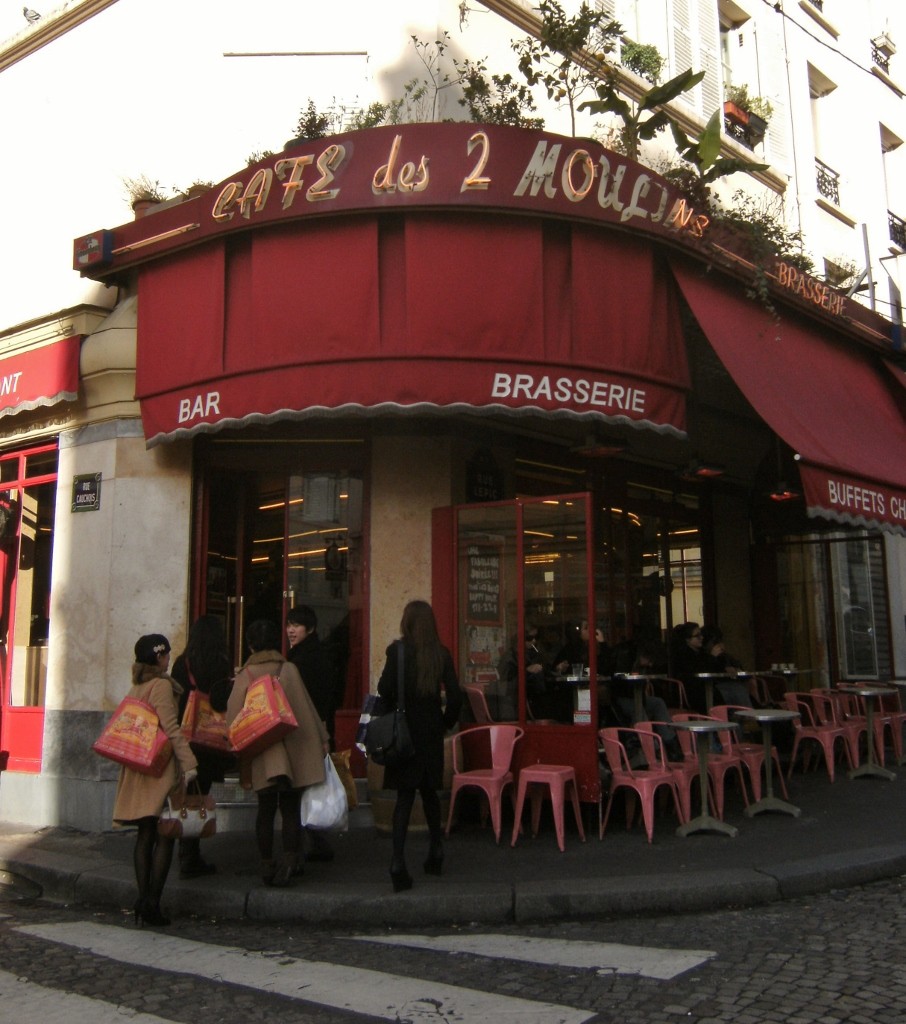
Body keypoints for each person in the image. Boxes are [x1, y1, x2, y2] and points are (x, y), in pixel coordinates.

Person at [226, 618, 329, 888]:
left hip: (263, 752)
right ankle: (290, 860)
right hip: (292, 749)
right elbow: (307, 706)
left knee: (266, 809)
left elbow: (232, 717)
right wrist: (322, 739)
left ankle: (266, 863)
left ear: (250, 645)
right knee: (291, 808)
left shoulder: (246, 675)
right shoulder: (289, 669)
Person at [112, 633, 198, 927]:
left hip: (137, 767)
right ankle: (152, 903)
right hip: (158, 768)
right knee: (164, 835)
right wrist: (189, 762)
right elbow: (171, 728)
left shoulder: (138, 686)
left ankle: (142, 899)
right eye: (166, 654)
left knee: (144, 834)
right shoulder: (161, 685)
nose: (169, 658)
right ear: (159, 657)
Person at [376, 599, 463, 893]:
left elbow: (383, 689)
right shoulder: (440, 653)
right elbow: (455, 696)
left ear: (407, 623)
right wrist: (444, 724)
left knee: (404, 799)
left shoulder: (397, 652)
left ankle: (397, 862)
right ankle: (436, 851)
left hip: (404, 733)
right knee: (429, 795)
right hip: (429, 732)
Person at [170, 614, 235, 878]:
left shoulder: (180, 664)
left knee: (184, 794)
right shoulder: (220, 663)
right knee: (200, 791)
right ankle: (190, 853)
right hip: (208, 742)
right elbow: (220, 702)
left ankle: (184, 848)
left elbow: (175, 701)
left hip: (185, 739)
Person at [286, 604, 336, 864]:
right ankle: (316, 838)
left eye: (296, 625)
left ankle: (307, 842)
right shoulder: (312, 654)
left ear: (310, 628)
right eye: (289, 625)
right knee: (311, 785)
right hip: (317, 729)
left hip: (308, 731)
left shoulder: (303, 660)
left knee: (303, 786)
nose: (291, 630)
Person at [701, 625, 753, 707]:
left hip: (729, 684)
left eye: (720, 642)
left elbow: (738, 668)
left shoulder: (724, 656)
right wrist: (713, 657)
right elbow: (707, 671)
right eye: (715, 642)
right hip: (711, 687)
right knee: (738, 690)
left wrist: (736, 669)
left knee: (744, 687)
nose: (719, 645)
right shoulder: (702, 656)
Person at [670, 621, 710, 713]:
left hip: (706, 688)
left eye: (701, 635)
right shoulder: (683, 656)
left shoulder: (702, 653)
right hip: (692, 692)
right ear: (687, 639)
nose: (702, 638)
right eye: (697, 636)